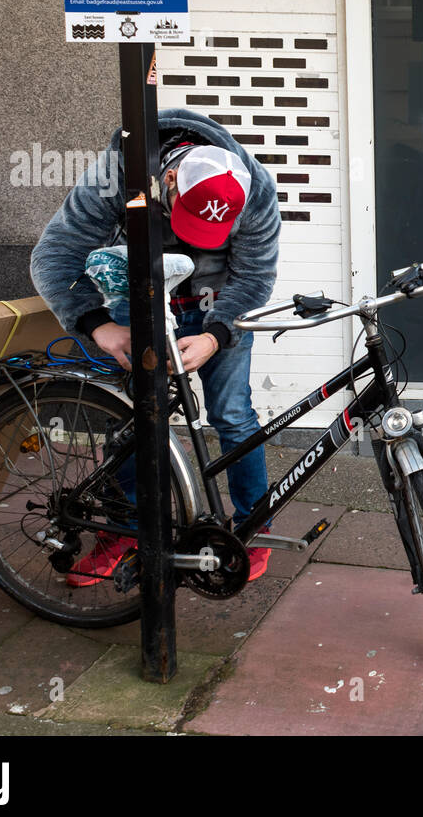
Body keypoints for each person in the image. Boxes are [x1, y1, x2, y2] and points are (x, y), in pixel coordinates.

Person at [30, 108, 281, 585]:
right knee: (128, 418)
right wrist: (97, 324)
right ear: (167, 178)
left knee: (232, 414)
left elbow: (255, 275)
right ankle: (125, 533)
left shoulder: (255, 189)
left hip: (218, 304)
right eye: (184, 218)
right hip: (137, 298)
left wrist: (215, 335)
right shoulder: (115, 176)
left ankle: (252, 527)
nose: (194, 239)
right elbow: (55, 255)